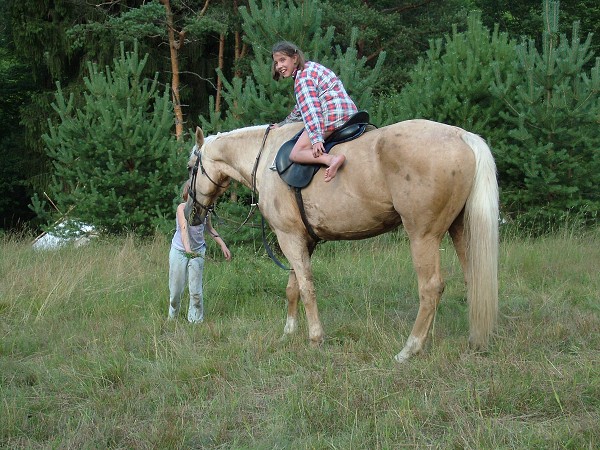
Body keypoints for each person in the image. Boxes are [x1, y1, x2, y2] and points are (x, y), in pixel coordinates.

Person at [271, 41, 358, 182]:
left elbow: (312, 110)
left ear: (294, 58)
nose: (279, 66)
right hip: (348, 111)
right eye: (276, 62)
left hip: (332, 114)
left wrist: (316, 138)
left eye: (282, 60)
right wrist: (283, 124)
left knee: (296, 153)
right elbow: (301, 108)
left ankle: (331, 159)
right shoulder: (311, 68)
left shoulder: (302, 78)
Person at [168, 181, 231, 323]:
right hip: (179, 251)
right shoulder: (182, 208)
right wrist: (188, 251)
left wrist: (222, 245)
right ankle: (172, 317)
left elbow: (210, 229)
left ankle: (195, 322)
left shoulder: (205, 210)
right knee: (175, 292)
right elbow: (184, 230)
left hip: (198, 252)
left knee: (196, 292)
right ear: (187, 195)